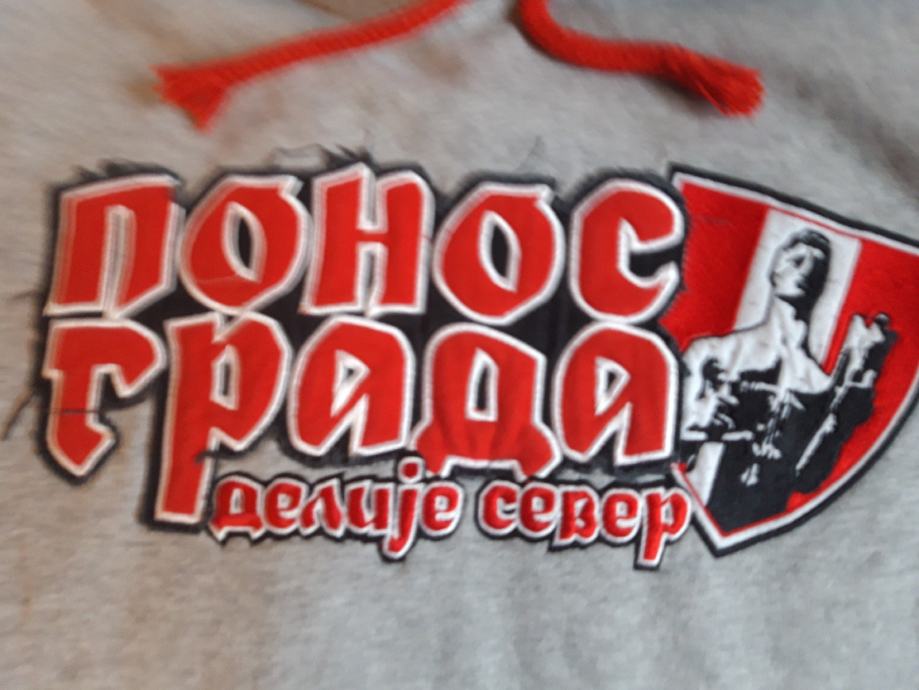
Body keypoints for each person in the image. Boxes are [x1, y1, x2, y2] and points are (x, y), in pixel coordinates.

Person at [681, 229, 892, 532]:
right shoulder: (712, 354)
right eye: (797, 260)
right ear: (774, 268)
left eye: (817, 267)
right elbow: (657, 441)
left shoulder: (819, 385)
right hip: (688, 518)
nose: (806, 269)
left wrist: (845, 414)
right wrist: (702, 421)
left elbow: (807, 480)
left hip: (762, 533)